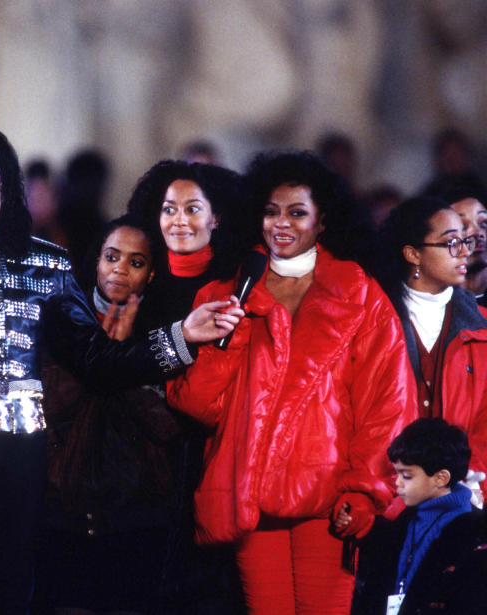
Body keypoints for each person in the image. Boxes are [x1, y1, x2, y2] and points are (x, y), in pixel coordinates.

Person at [0, 126, 243, 615]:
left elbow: (98, 361)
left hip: (23, 461)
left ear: (6, 186)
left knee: (8, 594)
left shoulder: (46, 266)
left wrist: (182, 336)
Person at [165, 151, 415, 615]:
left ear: (322, 222)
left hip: (330, 501)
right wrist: (229, 342)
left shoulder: (360, 294)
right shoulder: (226, 292)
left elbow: (388, 404)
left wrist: (366, 491)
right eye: (271, 211)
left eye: (297, 212)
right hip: (250, 498)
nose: (281, 223)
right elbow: (197, 405)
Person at [33, 214, 186, 614]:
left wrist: (126, 362)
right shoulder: (62, 319)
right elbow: (56, 404)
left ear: (151, 274)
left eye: (136, 262)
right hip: (62, 508)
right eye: (112, 257)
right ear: (96, 261)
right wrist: (106, 357)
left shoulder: (160, 331)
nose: (120, 268)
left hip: (136, 515)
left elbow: (168, 425)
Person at [126, 159, 247, 614]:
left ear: (216, 217)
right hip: (146, 456)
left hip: (215, 451)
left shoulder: (240, 283)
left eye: (193, 209)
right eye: (169, 209)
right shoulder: (142, 281)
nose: (179, 220)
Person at [374, 196, 487, 507]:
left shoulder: (482, 327)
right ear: (413, 254)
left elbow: (484, 427)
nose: (466, 251)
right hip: (387, 493)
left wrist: (472, 482)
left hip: (461, 496)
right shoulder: (376, 318)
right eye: (452, 243)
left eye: (466, 241)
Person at [347, 418, 487, 615]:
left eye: (407, 476)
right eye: (397, 474)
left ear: (441, 478)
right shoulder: (404, 522)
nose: (398, 484)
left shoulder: (475, 534)